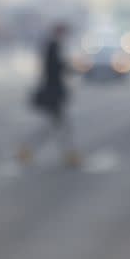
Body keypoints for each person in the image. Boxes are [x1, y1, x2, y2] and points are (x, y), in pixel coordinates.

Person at [23, 23, 81, 168]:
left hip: (53, 92)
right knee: (59, 126)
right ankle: (69, 154)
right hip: (53, 93)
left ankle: (28, 150)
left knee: (56, 125)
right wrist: (71, 68)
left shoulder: (51, 45)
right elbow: (56, 68)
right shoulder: (53, 46)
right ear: (59, 32)